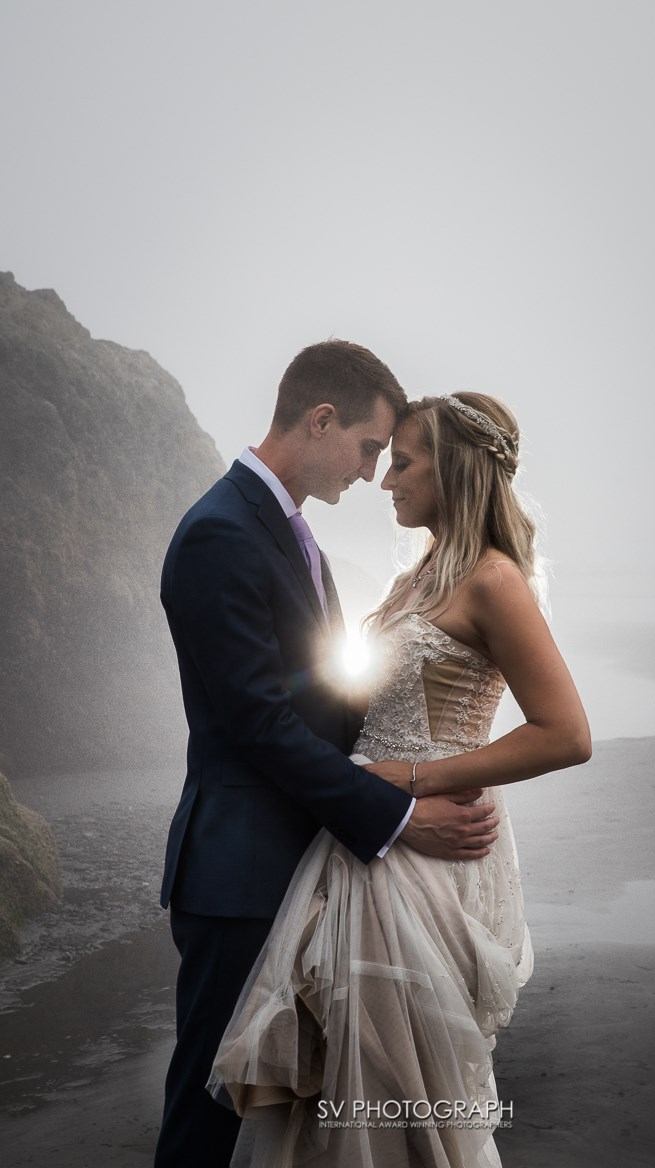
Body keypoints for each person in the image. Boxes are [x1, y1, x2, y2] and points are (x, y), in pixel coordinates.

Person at [208, 392, 592, 1168]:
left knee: (398, 1090)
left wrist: (414, 779)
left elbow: (567, 734)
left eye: (406, 462)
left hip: (422, 855)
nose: (386, 479)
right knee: (336, 1084)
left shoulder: (493, 580)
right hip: (364, 837)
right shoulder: (414, 579)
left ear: (453, 469)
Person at [154, 346, 502, 1168]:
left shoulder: (285, 530)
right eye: (370, 448)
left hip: (305, 857)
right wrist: (400, 812)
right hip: (239, 872)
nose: (374, 472)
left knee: (294, 1107)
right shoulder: (219, 533)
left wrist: (420, 740)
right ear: (320, 421)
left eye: (387, 457)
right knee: (214, 1104)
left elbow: (320, 694)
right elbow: (259, 724)